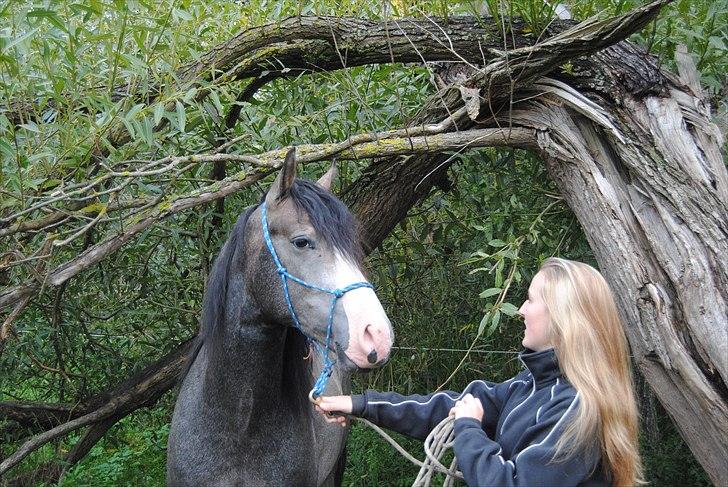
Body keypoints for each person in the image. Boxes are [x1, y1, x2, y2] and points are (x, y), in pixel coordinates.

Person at [315, 257, 643, 486]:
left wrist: (469, 429)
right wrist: (360, 404)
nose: (521, 311)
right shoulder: (531, 385)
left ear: (561, 317)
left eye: (529, 300)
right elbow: (447, 407)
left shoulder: (575, 409)